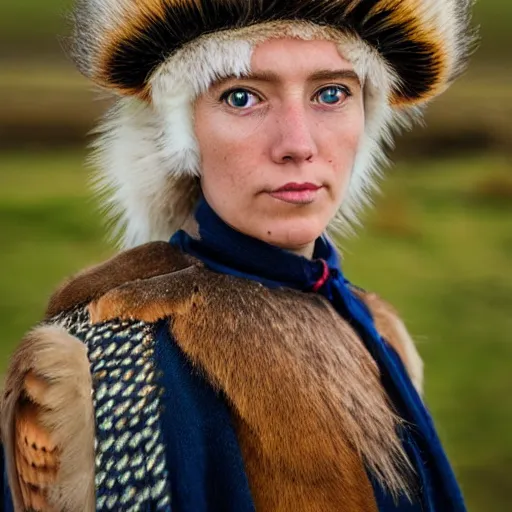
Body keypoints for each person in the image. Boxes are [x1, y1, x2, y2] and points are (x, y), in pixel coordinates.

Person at [1, 0, 476, 510]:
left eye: (332, 93)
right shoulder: (92, 371)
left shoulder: (381, 335)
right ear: (181, 133)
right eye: (242, 96)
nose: (298, 144)